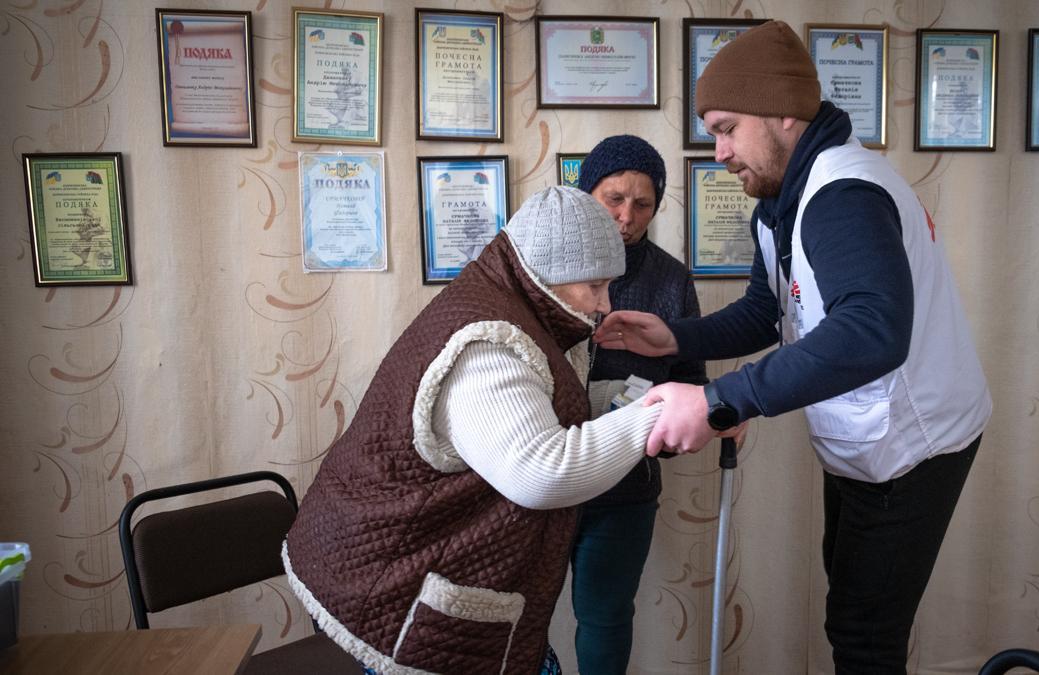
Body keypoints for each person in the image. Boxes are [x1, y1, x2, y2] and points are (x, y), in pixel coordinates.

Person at [595, 20, 992, 673]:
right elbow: (768, 310)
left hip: (911, 445)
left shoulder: (842, 196)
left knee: (863, 633)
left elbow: (872, 328)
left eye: (725, 128)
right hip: (865, 438)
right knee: (852, 614)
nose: (718, 152)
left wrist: (723, 398)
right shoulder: (785, 200)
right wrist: (677, 336)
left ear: (783, 114)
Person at [284, 187, 663, 675]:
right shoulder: (489, 344)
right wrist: (656, 413)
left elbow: (536, 404)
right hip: (383, 577)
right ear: (546, 276)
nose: (604, 302)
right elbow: (542, 472)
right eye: (594, 286)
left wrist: (642, 394)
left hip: (393, 558)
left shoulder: (514, 308)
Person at [569, 135, 708, 675]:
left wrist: (661, 433)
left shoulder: (671, 280)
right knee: (520, 611)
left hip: (624, 482)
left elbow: (691, 377)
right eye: (614, 198)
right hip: (536, 473)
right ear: (588, 195)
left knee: (604, 617)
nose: (627, 216)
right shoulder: (549, 266)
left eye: (643, 203)